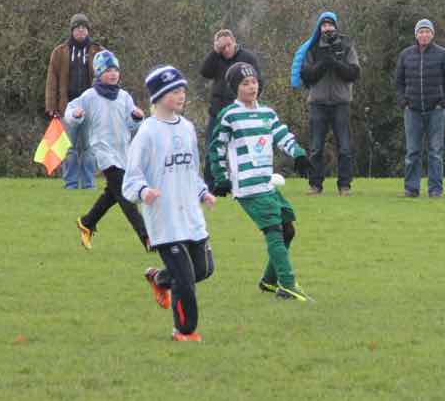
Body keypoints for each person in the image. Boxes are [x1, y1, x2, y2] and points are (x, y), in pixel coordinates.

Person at [123, 65, 216, 342]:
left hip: (191, 215)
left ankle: (160, 279)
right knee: (185, 281)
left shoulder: (187, 128)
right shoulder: (147, 132)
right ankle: (184, 331)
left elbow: (192, 170)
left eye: (182, 90)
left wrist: (203, 192)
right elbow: (130, 179)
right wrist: (143, 191)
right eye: (174, 91)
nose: (181, 95)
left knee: (204, 269)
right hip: (164, 219)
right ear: (159, 96)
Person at [209, 62, 313, 301]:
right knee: (274, 230)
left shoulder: (267, 113)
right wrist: (221, 177)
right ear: (236, 88)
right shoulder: (229, 115)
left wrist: (298, 154)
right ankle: (288, 285)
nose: (251, 87)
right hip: (248, 186)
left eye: (254, 82)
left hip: (266, 184)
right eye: (245, 83)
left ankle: (269, 281)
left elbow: (283, 136)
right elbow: (216, 148)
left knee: (287, 229)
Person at [64, 50, 149, 251]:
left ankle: (87, 222)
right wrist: (75, 115)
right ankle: (147, 237)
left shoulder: (124, 97)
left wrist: (137, 117)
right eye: (108, 70)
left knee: (113, 192)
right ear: (99, 73)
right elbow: (70, 112)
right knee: (125, 194)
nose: (113, 74)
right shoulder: (89, 96)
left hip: (123, 152)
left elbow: (131, 124)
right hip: (102, 152)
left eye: (115, 70)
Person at [294, 11, 360, 196]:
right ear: (319, 27)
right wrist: (323, 63)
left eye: (330, 24)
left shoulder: (347, 45)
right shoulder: (312, 48)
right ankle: (315, 185)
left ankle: (345, 185)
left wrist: (336, 63)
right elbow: (306, 75)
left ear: (336, 26)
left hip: (341, 102)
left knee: (344, 147)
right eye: (324, 25)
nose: (327, 28)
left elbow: (354, 73)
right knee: (316, 147)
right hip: (318, 103)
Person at [395, 18, 445, 198]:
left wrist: (444, 101)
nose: (424, 35)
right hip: (412, 110)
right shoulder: (405, 55)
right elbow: (398, 81)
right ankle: (411, 188)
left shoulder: (443, 55)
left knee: (435, 152)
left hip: (435, 110)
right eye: (421, 32)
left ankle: (435, 189)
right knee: (412, 151)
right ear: (416, 35)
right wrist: (403, 101)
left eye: (427, 31)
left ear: (432, 34)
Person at [199, 29, 263, 189]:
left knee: (246, 150)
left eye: (228, 45)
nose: (226, 49)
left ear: (234, 42)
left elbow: (259, 83)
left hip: (241, 113)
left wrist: (250, 104)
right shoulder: (216, 58)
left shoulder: (248, 58)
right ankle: (211, 186)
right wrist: (214, 53)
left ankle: (248, 183)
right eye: (222, 47)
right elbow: (204, 72)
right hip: (218, 114)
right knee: (212, 150)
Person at [45, 13, 102, 189]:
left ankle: (88, 183)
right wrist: (51, 106)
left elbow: (108, 77)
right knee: (69, 148)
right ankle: (70, 183)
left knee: (88, 148)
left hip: (90, 108)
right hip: (66, 107)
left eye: (84, 27)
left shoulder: (98, 51)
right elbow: (51, 81)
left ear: (88, 30)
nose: (81, 31)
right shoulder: (59, 52)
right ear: (72, 30)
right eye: (77, 28)